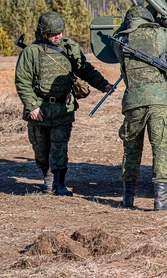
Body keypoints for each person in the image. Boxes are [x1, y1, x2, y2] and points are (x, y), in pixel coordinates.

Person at [15, 11, 113, 196]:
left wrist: (102, 84)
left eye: (59, 32)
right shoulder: (31, 53)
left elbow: (84, 69)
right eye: (53, 34)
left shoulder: (69, 48)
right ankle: (47, 177)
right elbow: (23, 82)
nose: (58, 36)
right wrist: (32, 107)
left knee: (60, 147)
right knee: (41, 150)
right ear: (43, 33)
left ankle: (58, 184)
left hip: (62, 108)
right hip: (40, 109)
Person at [112, 5, 167, 211]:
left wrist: (124, 27)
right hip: (158, 99)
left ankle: (127, 198)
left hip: (133, 100)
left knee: (131, 149)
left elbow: (116, 43)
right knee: (160, 147)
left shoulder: (120, 41)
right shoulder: (157, 35)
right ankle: (160, 199)